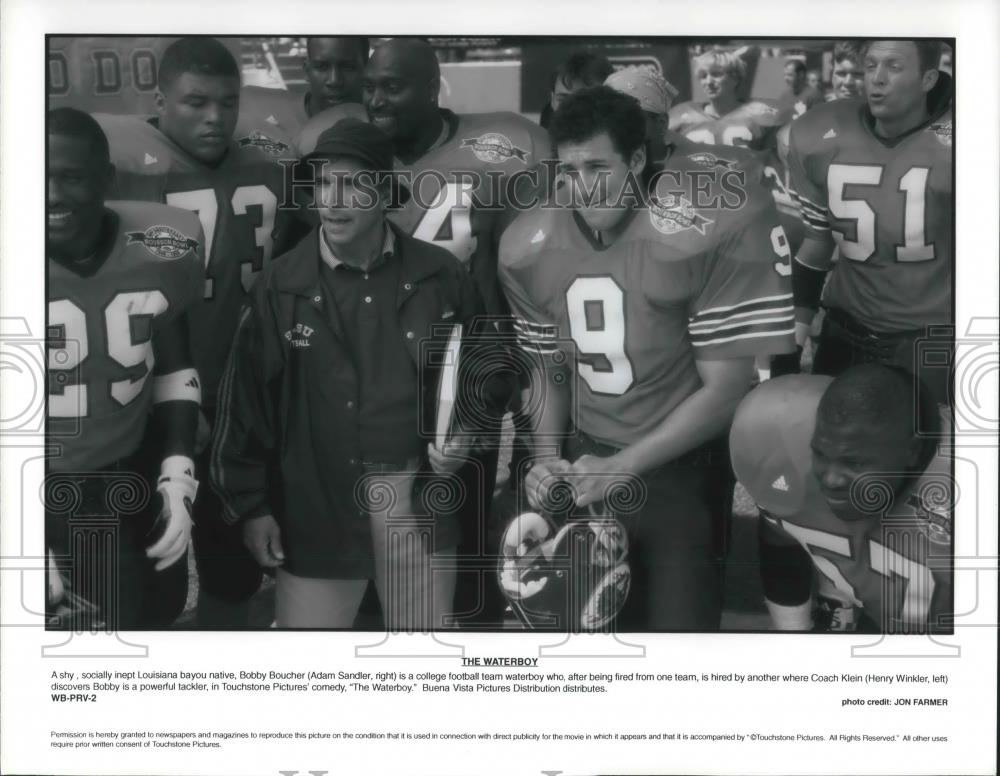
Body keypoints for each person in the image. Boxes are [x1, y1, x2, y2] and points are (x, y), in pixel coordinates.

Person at [498, 86, 795, 630]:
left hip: (676, 474)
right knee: (580, 646)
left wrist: (621, 467)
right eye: (569, 170)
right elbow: (547, 370)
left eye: (597, 166)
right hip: (587, 462)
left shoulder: (699, 231)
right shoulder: (528, 245)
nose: (582, 187)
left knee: (675, 648)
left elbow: (726, 391)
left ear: (637, 159)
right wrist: (546, 461)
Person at [210, 120, 498, 629]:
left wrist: (467, 431)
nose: (334, 200)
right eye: (323, 183)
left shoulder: (443, 275)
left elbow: (486, 374)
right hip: (316, 509)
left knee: (420, 674)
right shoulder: (280, 284)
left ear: (386, 192)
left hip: (417, 504)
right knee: (312, 681)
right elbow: (245, 403)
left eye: (353, 183)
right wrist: (251, 508)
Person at [94, 36, 298, 628]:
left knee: (235, 564)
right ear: (160, 99)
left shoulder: (264, 161)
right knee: (150, 571)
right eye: (196, 102)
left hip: (244, 394)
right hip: (154, 401)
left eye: (228, 102)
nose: (215, 117)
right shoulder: (122, 163)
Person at [46, 108, 202, 630]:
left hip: (130, 466)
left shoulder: (162, 244)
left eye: (69, 176)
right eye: (37, 175)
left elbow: (175, 368)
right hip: (43, 483)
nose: (51, 194)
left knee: (154, 614)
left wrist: (178, 474)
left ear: (106, 179)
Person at [783, 39, 952, 403]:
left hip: (928, 341)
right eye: (871, 64)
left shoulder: (965, 142)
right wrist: (793, 336)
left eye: (893, 66)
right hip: (844, 331)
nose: (876, 78)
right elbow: (816, 242)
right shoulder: (821, 133)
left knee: (926, 452)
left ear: (928, 79)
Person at [730, 365, 952, 633]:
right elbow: (780, 536)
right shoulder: (787, 440)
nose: (831, 479)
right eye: (821, 454)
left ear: (912, 452)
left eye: (854, 462)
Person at [238, 37, 369, 147]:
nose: (334, 80)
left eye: (348, 67)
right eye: (322, 67)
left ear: (368, 70)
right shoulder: (251, 104)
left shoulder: (380, 125)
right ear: (307, 70)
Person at [539, 50, 615, 130]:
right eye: (563, 100)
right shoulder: (544, 128)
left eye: (584, 101)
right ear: (552, 100)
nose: (571, 111)